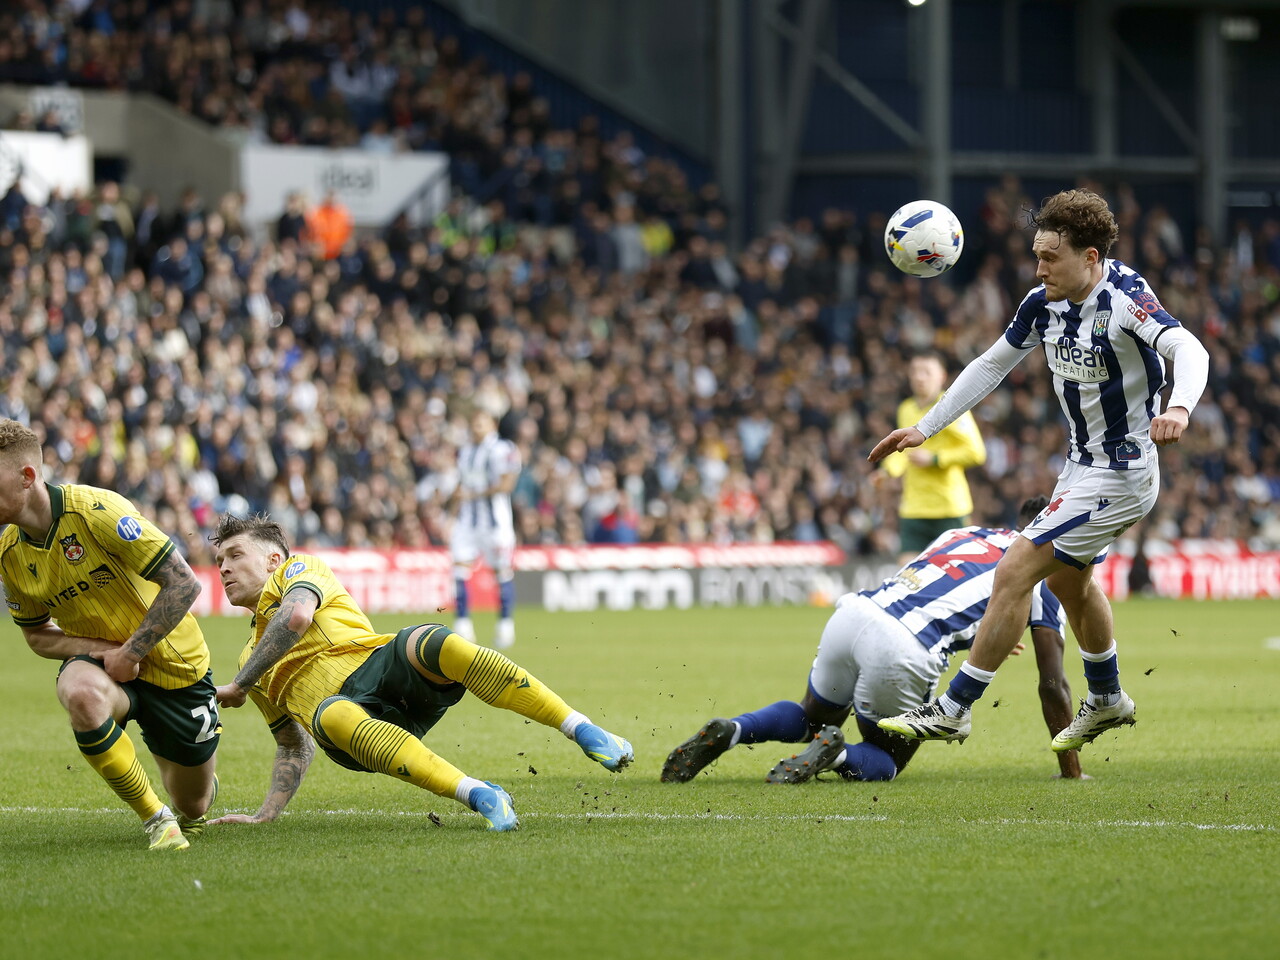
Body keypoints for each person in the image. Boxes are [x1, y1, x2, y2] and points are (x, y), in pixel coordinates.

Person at [869, 189, 1210, 751]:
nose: (1039, 268)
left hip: (1123, 473)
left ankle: (955, 707)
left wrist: (1179, 407)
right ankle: (1107, 698)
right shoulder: (1042, 303)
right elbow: (991, 365)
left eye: (1051, 258)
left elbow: (1189, 349)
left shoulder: (1126, 300)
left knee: (1015, 569)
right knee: (1067, 583)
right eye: (1037, 255)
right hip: (1080, 467)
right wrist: (924, 428)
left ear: (1091, 258)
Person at [208, 513, 632, 832]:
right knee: (331, 714)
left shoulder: (299, 571)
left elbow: (297, 616)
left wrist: (241, 684)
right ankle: (478, 794)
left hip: (381, 669)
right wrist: (264, 816)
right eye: (218, 560)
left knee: (431, 639)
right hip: (349, 725)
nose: (223, 568)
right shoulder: (252, 660)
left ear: (274, 560)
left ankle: (582, 729)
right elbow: (292, 747)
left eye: (235, 554)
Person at [662, 497, 1084, 784]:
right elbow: (1052, 682)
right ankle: (838, 755)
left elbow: (939, 592)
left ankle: (734, 729)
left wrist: (987, 634)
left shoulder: (964, 534)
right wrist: (1072, 770)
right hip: (904, 648)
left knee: (812, 715)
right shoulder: (1039, 577)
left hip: (854, 615)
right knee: (891, 754)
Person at [0, 419, 219, 852]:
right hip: (106, 669)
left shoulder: (99, 511)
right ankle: (157, 821)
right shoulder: (8, 554)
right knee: (80, 691)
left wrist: (132, 650)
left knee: (193, 803)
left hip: (177, 666)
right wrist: (100, 651)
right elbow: (38, 636)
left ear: (27, 477)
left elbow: (184, 583)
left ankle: (185, 795)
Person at [879, 349, 987, 565]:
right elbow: (903, 452)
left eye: (926, 372)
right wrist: (887, 471)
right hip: (914, 506)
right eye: (915, 371)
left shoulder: (952, 407)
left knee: (953, 572)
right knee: (908, 573)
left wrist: (935, 459)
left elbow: (976, 452)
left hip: (948, 507)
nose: (919, 377)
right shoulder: (906, 408)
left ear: (942, 377)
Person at [450, 410, 520, 649]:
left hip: (495, 524)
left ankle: (505, 624)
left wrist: (472, 494)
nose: (476, 427)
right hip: (467, 523)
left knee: (501, 572)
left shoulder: (504, 449)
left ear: (493, 424)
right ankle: (462, 624)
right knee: (459, 570)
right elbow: (461, 485)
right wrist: (452, 509)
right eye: (474, 422)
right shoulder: (466, 451)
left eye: (481, 422)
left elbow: (507, 484)